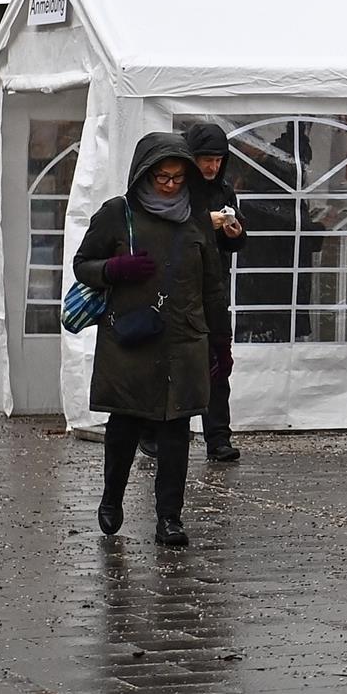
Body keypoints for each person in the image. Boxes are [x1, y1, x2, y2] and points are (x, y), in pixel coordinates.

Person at [73, 133, 230, 546]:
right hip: (130, 340)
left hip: (184, 340)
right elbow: (82, 265)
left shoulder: (197, 217)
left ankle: (169, 518)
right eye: (162, 176)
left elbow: (213, 285)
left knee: (176, 432)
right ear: (144, 173)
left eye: (178, 177)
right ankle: (112, 498)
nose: (170, 184)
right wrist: (115, 268)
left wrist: (220, 342)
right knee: (123, 425)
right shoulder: (117, 213)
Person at [142, 124, 247, 463]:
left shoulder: (224, 190)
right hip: (176, 291)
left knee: (217, 364)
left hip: (213, 290)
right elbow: (169, 231)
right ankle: (155, 432)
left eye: (218, 160)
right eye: (206, 159)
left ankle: (218, 437)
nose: (211, 167)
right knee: (169, 364)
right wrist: (206, 222)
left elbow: (235, 243)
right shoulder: (176, 189)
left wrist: (234, 230)